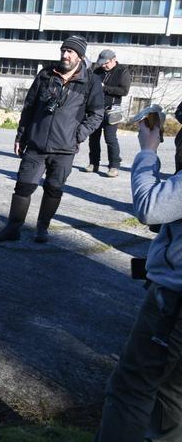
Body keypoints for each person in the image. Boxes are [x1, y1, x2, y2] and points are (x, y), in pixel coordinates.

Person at [93, 113, 182, 442]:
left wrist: (148, 150)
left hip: (173, 305)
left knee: (131, 390)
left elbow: (150, 207)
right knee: (172, 393)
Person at [0, 36, 104, 244]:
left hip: (65, 149)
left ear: (80, 56)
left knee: (53, 188)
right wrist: (21, 136)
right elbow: (29, 107)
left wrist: (78, 134)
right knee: (23, 186)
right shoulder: (45, 75)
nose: (65, 55)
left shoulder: (91, 82)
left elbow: (96, 115)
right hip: (36, 144)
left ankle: (42, 228)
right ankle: (13, 228)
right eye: (63, 50)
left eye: (70, 52)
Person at [87, 49, 131, 178]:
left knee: (110, 139)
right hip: (96, 108)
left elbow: (124, 91)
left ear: (113, 59)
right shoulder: (97, 71)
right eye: (101, 63)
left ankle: (114, 166)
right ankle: (93, 163)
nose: (103, 66)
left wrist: (104, 87)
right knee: (93, 138)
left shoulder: (123, 71)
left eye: (106, 63)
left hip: (113, 110)